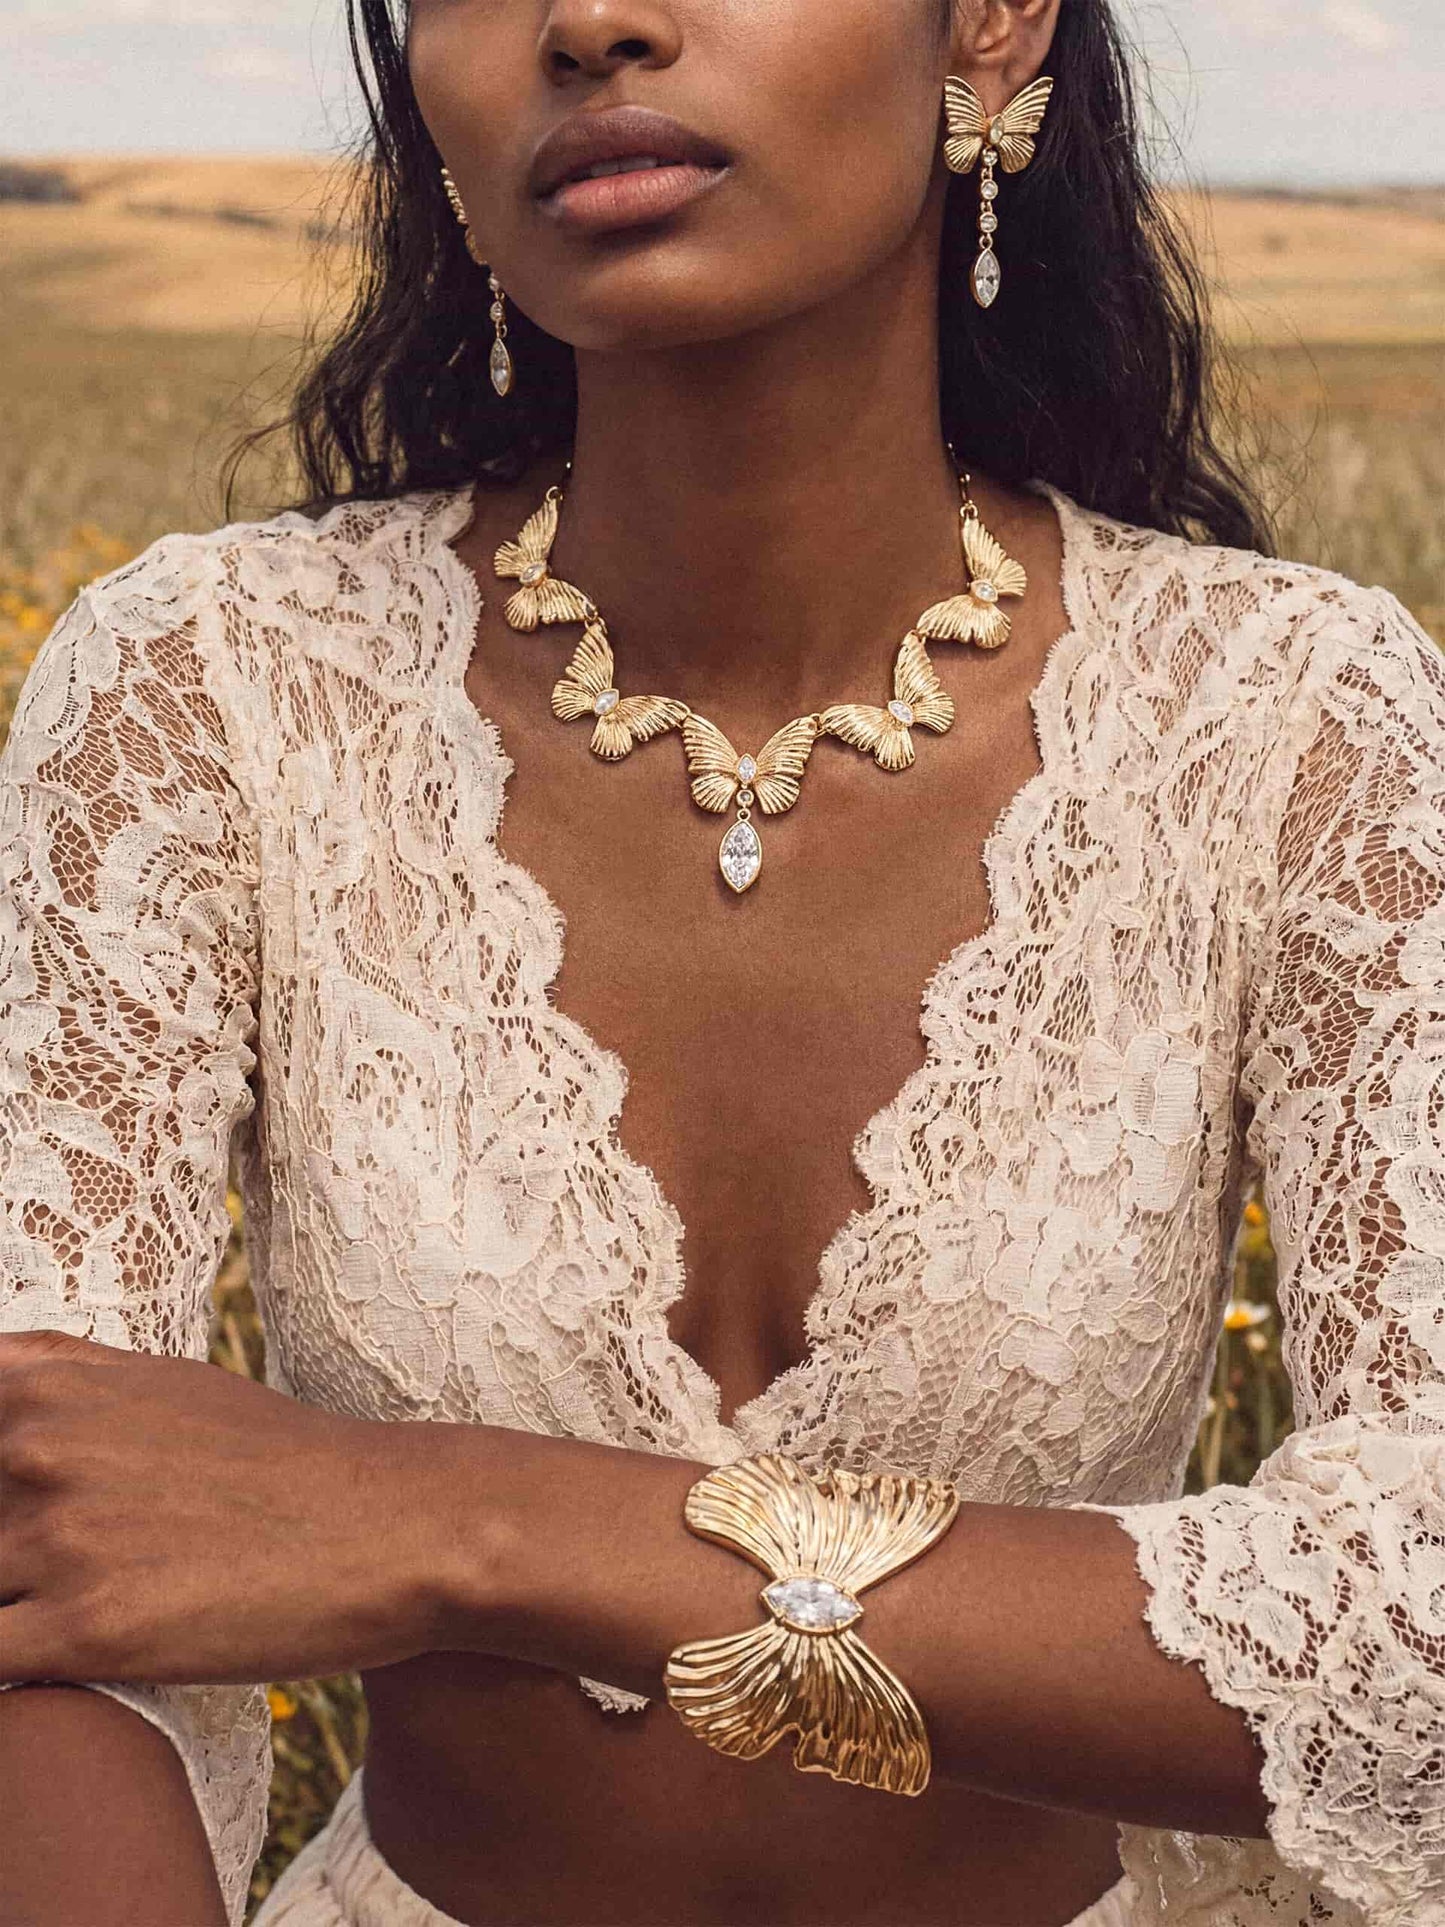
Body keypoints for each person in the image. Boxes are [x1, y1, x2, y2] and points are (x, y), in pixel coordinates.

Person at [1, 0, 1441, 1923]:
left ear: (996, 25)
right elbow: (48, 1545)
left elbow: (1411, 1634)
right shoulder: (208, 691)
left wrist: (461, 1527)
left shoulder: (1294, 724)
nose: (594, 20)